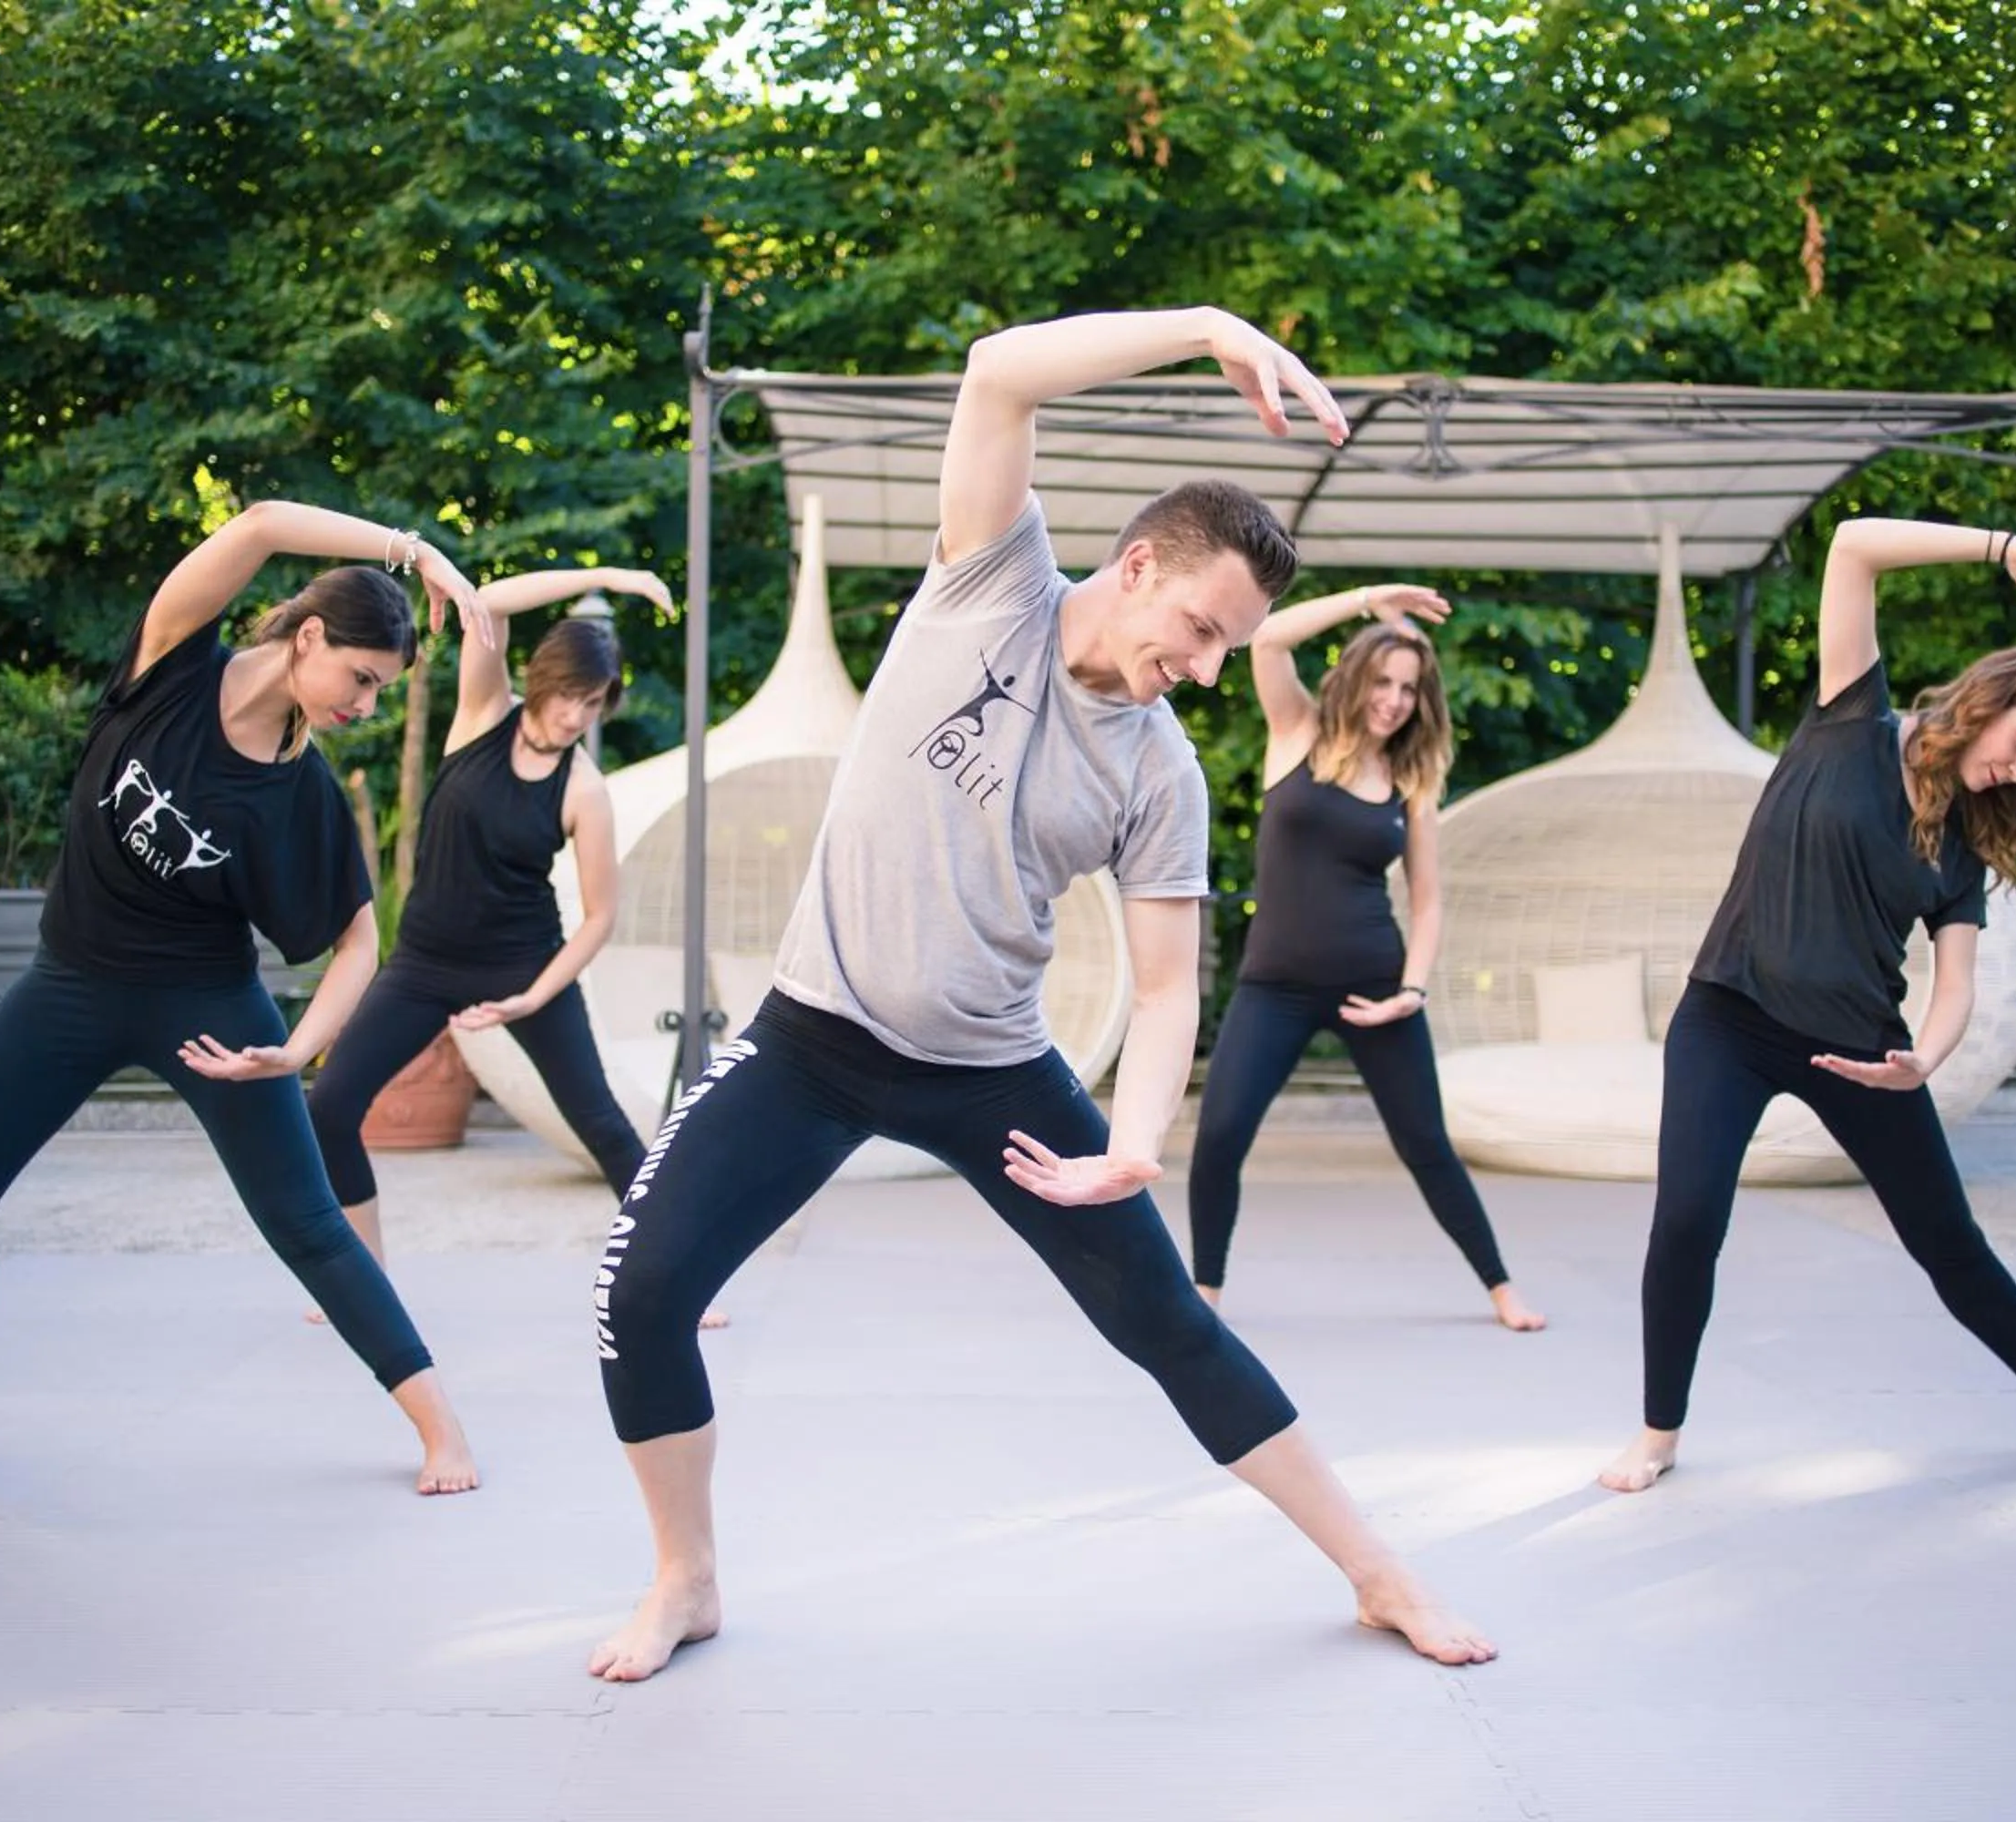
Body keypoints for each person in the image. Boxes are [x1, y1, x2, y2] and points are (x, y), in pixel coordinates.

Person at [583, 307, 1495, 1683]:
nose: (1195, 669)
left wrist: (1131, 1147)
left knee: (1167, 1323)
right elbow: (998, 369)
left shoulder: (1160, 773)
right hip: (813, 1039)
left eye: (1221, 650)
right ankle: (686, 1578)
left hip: (991, 1073)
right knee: (638, 1293)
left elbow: (1171, 986)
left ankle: (1378, 1573)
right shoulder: (988, 581)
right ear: (1135, 567)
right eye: (1193, 629)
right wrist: (1207, 330)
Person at [0, 501, 486, 1497]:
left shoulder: (300, 792)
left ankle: (445, 1433)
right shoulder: (173, 660)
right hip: (69, 985)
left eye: (382, 691)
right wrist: (414, 548)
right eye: (361, 678)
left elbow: (361, 941)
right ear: (309, 635)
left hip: (206, 1005)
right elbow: (262, 523)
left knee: (308, 1222)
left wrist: (296, 1044)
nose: (367, 703)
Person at [1596, 518, 2016, 1494]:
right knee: (1687, 1219)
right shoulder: (1852, 720)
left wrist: (1921, 1059)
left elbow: (1957, 981)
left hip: (1861, 1046)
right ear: (1993, 699)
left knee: (1949, 1242)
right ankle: (1658, 1430)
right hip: (1730, 1015)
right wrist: (2006, 550)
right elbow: (1851, 544)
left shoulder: (1964, 847)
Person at [302, 566, 721, 1334]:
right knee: (330, 1106)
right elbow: (484, 602)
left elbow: (600, 916)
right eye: (568, 696)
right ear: (543, 681)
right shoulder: (480, 714)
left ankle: (681, 1283)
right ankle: (363, 1280)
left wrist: (534, 996)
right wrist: (609, 576)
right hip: (426, 959)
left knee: (602, 1125)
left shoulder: (582, 789)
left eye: (592, 704)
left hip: (528, 964)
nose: (574, 716)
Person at [1187, 583, 1543, 1328]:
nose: (1394, 699)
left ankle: (1501, 1286)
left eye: (1409, 689)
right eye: (1383, 682)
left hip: (1375, 986)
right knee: (1219, 1135)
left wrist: (1410, 992)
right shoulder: (1297, 735)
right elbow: (1270, 638)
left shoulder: (1410, 783)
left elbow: (1427, 900)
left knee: (1426, 1145)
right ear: (1354, 677)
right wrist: (1368, 601)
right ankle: (1206, 1293)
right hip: (1273, 988)